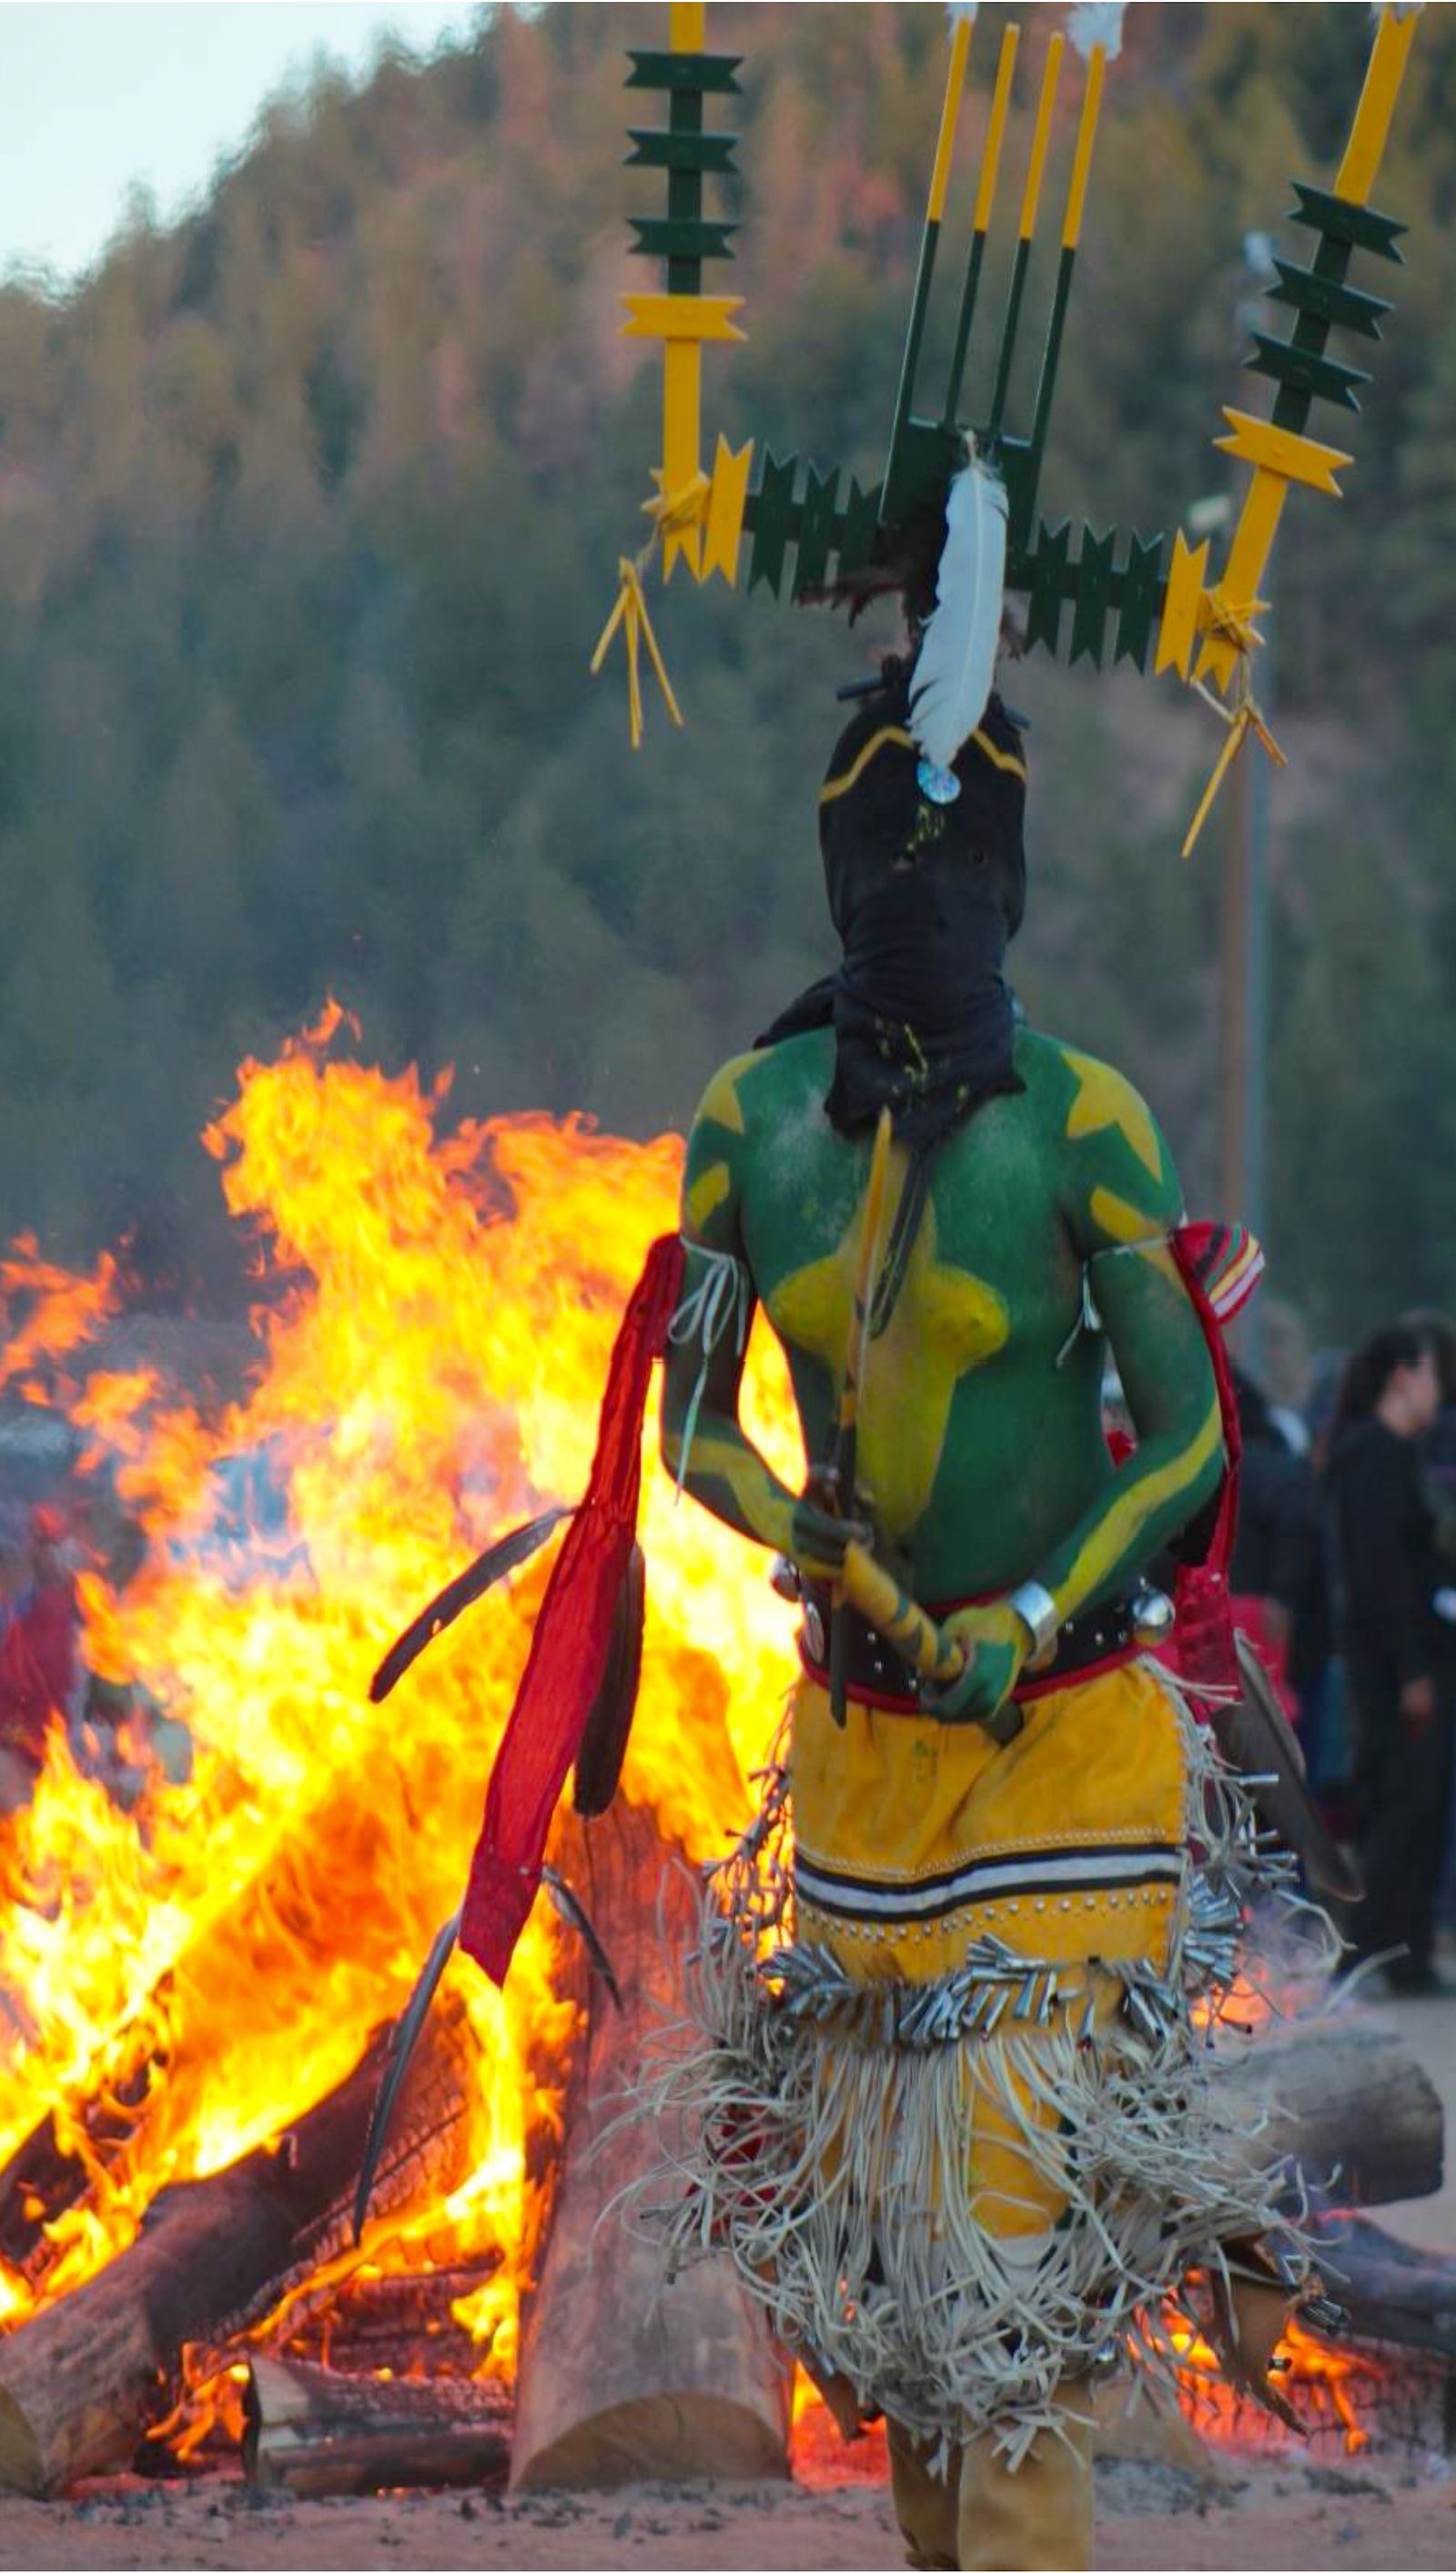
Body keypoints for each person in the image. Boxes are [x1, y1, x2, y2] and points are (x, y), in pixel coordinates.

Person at [642, 674, 1325, 2571]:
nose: (917, 896)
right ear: (833, 869)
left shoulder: (1081, 1117)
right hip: (863, 1784)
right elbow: (688, 1421)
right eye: (886, 861)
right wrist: (812, 1539)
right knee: (907, 2298)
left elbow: (1180, 1443)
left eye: (951, 865)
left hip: (1058, 1759)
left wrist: (1024, 1615)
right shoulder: (746, 1124)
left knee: (1009, 2275)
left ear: (1005, 882)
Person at [1325, 1325, 1451, 1995]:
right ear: (1405, 1375)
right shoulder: (1370, 1456)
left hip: (1412, 1658)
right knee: (1399, 1806)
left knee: (1420, 1805)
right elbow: (1380, 1574)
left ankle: (1407, 1956)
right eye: (1433, 1372)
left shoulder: (1394, 1455)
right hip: (1395, 1667)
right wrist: (1410, 1669)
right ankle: (1370, 1952)